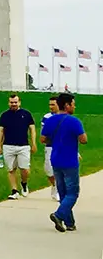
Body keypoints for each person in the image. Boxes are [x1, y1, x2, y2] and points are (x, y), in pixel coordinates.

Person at [43, 92, 86, 232]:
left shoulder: (50, 120)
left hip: (55, 159)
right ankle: (58, 215)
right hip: (70, 161)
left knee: (63, 192)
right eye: (73, 104)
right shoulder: (74, 121)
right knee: (72, 193)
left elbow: (43, 139)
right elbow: (83, 140)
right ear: (67, 105)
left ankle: (69, 223)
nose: (74, 106)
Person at [0, 93, 36, 198]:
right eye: (11, 102)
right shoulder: (4, 115)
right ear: (9, 103)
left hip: (23, 145)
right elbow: (1, 131)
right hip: (8, 145)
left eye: (15, 102)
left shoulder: (26, 114)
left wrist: (33, 143)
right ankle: (14, 191)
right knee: (11, 169)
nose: (13, 104)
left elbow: (32, 129)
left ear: (19, 102)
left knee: (25, 169)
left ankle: (24, 183)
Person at [41, 96, 60, 201]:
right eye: (50, 105)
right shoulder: (47, 117)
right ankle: (54, 185)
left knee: (59, 169)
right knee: (49, 171)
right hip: (49, 146)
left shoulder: (65, 117)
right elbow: (44, 133)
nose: (51, 107)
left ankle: (58, 190)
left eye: (53, 104)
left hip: (62, 147)